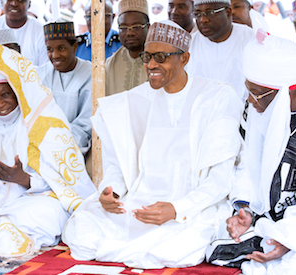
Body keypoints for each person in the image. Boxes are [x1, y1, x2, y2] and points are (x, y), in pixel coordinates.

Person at [62, 20, 243, 269]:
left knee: (178, 246)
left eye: (161, 57)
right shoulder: (136, 99)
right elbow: (119, 165)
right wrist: (111, 191)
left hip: (190, 207)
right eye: (148, 57)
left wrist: (177, 208)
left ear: (185, 58)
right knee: (83, 227)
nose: (151, 65)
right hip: (140, 203)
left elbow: (220, 179)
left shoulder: (216, 97)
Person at [0, 39, 96, 259]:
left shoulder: (45, 124)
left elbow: (66, 183)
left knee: (48, 214)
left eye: (4, 95)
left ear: (17, 92)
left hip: (34, 199)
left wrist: (24, 179)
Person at [207, 30, 296, 274]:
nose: (249, 99)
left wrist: (288, 239)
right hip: (270, 218)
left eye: (256, 92)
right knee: (208, 241)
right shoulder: (257, 107)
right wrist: (245, 209)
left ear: (284, 92)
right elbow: (246, 164)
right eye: (247, 89)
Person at [37, 22, 92, 154]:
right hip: (42, 146)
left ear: (74, 47)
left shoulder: (91, 74)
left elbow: (85, 127)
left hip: (76, 149)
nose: (55, 55)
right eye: (49, 49)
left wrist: (56, 143)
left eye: (61, 48)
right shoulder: (41, 75)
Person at [186, 0, 254, 102]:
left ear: (228, 12)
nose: (203, 19)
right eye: (198, 14)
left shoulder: (250, 40)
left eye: (210, 13)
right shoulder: (189, 44)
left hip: (243, 115)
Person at [0, 0, 48, 66]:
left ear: (29, 3)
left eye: (20, 0)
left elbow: (44, 71)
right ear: (2, 2)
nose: (14, 3)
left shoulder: (42, 32)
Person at [105, 0, 150, 96]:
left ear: (148, 27)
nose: (129, 33)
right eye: (123, 28)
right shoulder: (110, 64)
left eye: (137, 27)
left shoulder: (159, 61)